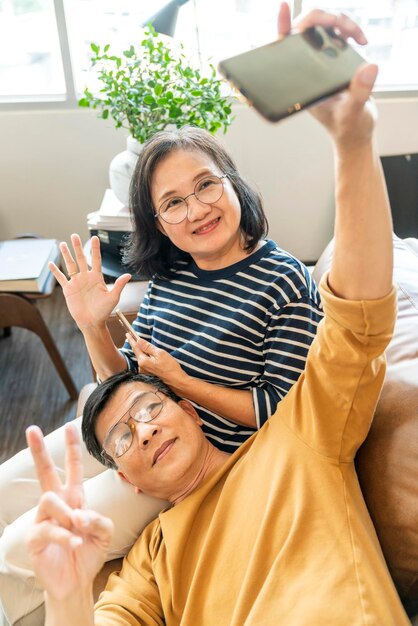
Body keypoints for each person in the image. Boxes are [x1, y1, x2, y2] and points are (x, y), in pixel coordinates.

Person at [24, 2, 410, 614]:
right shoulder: (153, 557)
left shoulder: (301, 441)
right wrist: (67, 596)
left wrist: (353, 141)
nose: (196, 209)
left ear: (234, 185)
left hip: (247, 440)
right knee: (37, 472)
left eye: (206, 185)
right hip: (149, 450)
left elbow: (357, 318)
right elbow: (123, 391)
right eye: (172, 203)